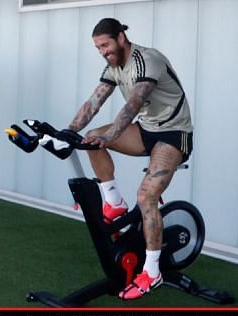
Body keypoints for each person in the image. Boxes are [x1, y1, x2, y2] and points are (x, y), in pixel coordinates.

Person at [66, 18, 193, 300]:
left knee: (146, 196)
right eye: (98, 47)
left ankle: (152, 271)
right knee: (90, 139)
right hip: (147, 131)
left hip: (173, 134)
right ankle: (113, 202)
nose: (102, 51)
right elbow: (95, 101)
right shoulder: (113, 66)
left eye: (105, 45)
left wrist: (110, 135)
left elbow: (133, 103)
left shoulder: (148, 60)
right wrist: (68, 131)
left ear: (121, 37)